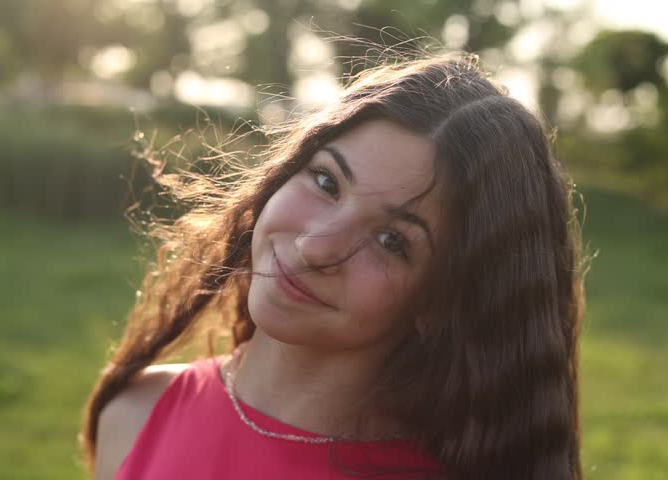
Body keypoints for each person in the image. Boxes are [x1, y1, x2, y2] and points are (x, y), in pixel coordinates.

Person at [80, 51, 588, 480]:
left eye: (392, 240)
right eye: (326, 182)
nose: (314, 247)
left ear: (440, 302)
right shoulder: (134, 411)